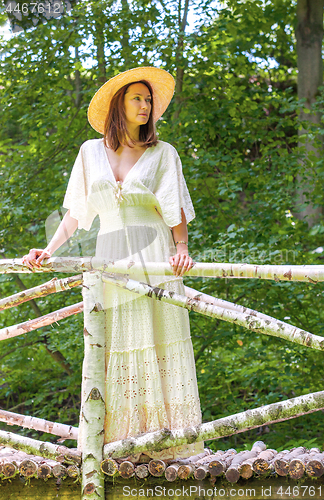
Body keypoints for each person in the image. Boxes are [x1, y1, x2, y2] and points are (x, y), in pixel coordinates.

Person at [22, 66, 204, 461]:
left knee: (155, 341)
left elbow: (175, 210)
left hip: (154, 257)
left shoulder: (163, 153)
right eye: (138, 98)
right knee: (112, 343)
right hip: (109, 260)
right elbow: (75, 213)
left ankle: (164, 447)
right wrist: (48, 250)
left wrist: (182, 248)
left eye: (149, 99)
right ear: (119, 105)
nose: (146, 105)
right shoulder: (90, 151)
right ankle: (117, 445)